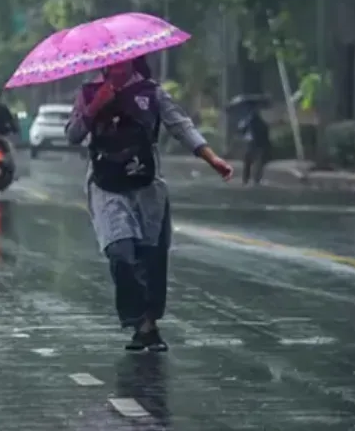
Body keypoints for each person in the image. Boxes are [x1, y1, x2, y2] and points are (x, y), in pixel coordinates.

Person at [65, 56, 233, 351]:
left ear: (133, 63)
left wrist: (211, 158)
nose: (117, 70)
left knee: (150, 257)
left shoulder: (150, 92)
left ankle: (148, 325)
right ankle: (135, 318)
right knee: (120, 251)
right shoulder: (88, 92)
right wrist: (95, 107)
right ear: (103, 66)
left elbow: (180, 126)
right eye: (112, 65)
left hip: (146, 186)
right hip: (107, 185)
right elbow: (73, 135)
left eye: (123, 65)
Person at [238, 108, 271, 185]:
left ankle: (246, 179)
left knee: (248, 163)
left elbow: (241, 131)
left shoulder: (248, 122)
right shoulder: (262, 123)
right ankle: (256, 179)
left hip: (252, 145)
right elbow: (266, 135)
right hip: (260, 146)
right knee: (258, 163)